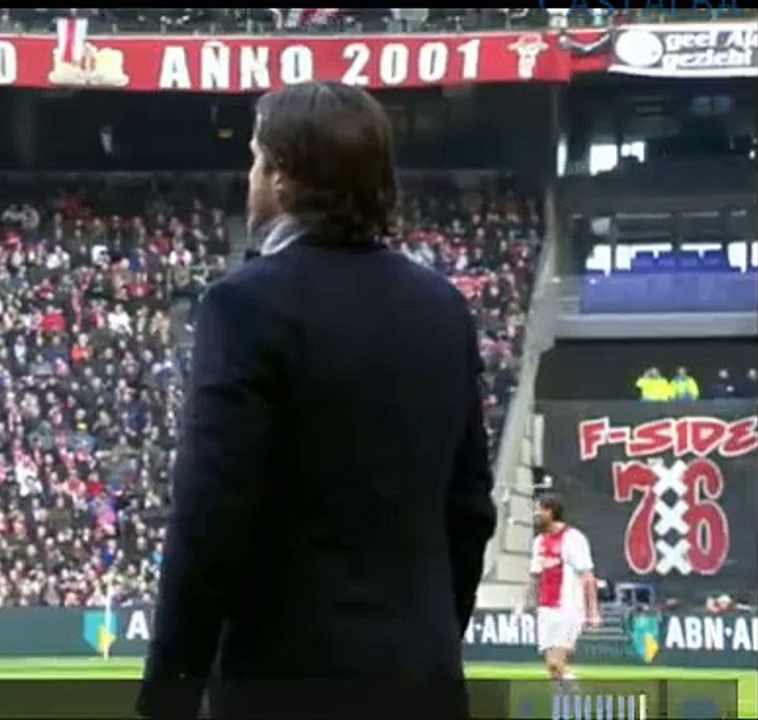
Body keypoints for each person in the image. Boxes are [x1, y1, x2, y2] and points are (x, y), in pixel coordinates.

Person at [138, 82, 497, 720]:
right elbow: (469, 510)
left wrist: (169, 694)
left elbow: (210, 517)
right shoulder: (442, 308)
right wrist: (425, 641)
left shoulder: (246, 305)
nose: (250, 176)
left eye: (254, 158)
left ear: (281, 178)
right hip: (422, 682)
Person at [525, 494, 600, 693]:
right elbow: (535, 575)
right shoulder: (539, 541)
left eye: (539, 509)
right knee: (552, 667)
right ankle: (569, 699)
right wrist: (528, 602)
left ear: (550, 511)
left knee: (558, 661)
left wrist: (593, 611)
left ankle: (577, 697)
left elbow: (587, 575)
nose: (536, 514)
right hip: (546, 609)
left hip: (568, 607)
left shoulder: (573, 538)